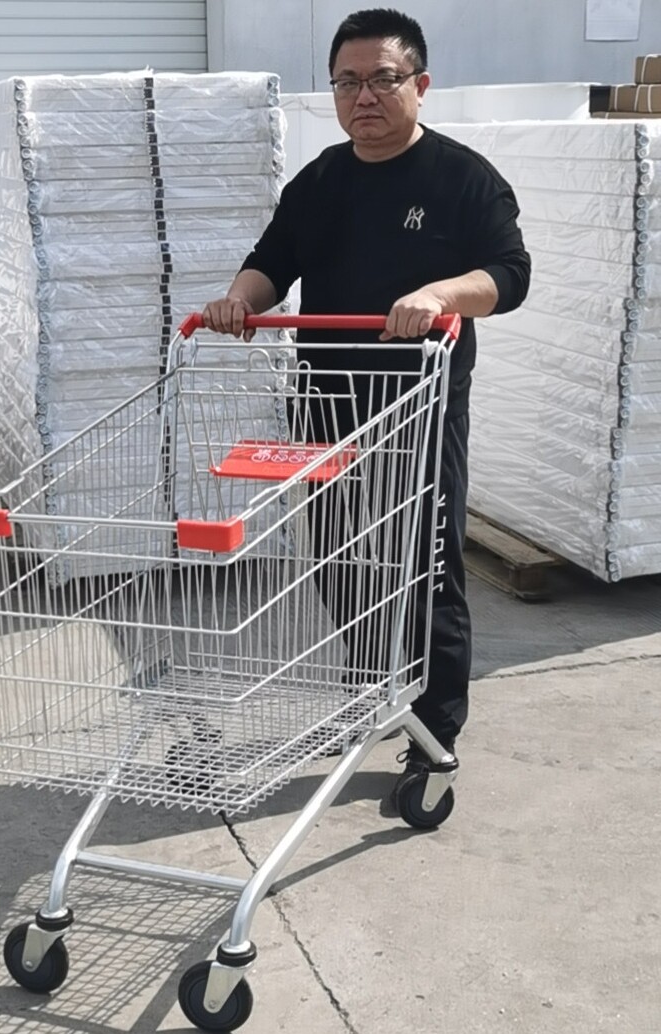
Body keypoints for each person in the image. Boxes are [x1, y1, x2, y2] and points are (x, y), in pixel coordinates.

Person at [202, 8, 531, 778]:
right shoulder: (320, 181)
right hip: (328, 403)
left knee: (425, 565)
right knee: (341, 556)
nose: (364, 97)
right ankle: (371, 687)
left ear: (420, 84)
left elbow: (509, 275)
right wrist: (239, 300)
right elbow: (271, 261)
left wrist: (441, 293)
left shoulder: (463, 179)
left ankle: (434, 727)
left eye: (383, 79)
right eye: (346, 83)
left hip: (421, 407)